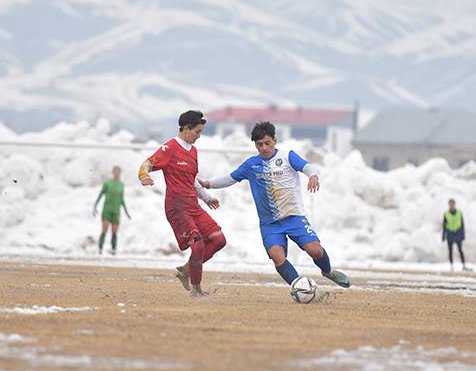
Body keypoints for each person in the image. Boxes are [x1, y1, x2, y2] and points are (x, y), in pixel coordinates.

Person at [198, 121, 350, 289]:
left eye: (267, 143)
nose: (264, 148)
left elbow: (307, 166)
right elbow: (230, 178)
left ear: (275, 141)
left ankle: (328, 271)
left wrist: (313, 176)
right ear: (255, 145)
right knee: (277, 256)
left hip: (294, 218)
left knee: (316, 251)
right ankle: (299, 286)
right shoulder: (251, 165)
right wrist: (208, 183)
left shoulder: (287, 156)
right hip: (270, 224)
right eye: (259, 144)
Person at [138, 110, 226, 297]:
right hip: (177, 207)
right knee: (198, 245)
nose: (199, 136)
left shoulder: (193, 151)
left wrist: (207, 198)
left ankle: (187, 270)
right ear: (186, 128)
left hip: (193, 205)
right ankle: (196, 289)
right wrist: (144, 175)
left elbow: (192, 179)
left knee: (219, 239)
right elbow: (147, 163)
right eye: (197, 132)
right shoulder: (169, 148)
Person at [93, 166, 131, 255]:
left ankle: (114, 250)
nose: (117, 173)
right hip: (107, 210)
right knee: (104, 230)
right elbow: (101, 194)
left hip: (116, 211)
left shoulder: (121, 185)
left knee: (114, 231)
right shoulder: (107, 183)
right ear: (113, 172)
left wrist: (126, 212)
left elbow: (122, 199)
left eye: (119, 172)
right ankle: (100, 249)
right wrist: (95, 206)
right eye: (116, 171)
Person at [442, 198, 470, 271]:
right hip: (450, 234)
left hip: (458, 234)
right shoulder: (446, 214)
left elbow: (462, 224)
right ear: (449, 205)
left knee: (460, 250)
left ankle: (463, 265)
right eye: (450, 204)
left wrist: (463, 235)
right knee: (450, 251)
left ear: (454, 204)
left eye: (452, 204)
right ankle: (451, 266)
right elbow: (444, 225)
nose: (451, 205)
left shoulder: (459, 213)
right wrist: (443, 235)